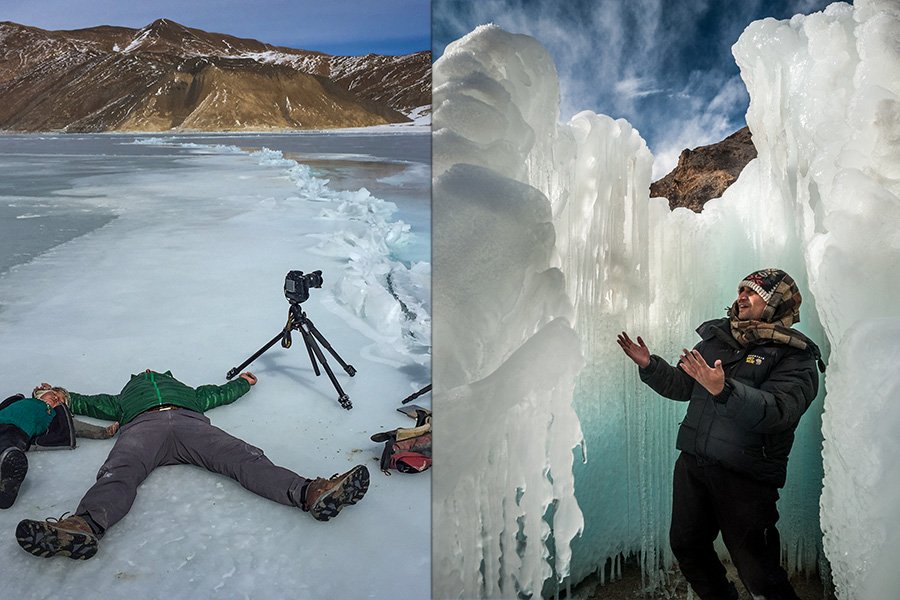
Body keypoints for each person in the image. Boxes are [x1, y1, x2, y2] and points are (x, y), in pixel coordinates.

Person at [617, 269, 824, 600]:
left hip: (746, 475)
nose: (741, 296)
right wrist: (651, 366)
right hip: (694, 464)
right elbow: (685, 385)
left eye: (753, 292)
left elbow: (779, 411)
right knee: (687, 546)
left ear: (776, 303)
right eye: (740, 289)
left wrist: (724, 389)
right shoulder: (718, 339)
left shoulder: (795, 356)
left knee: (757, 569)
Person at [15, 369, 369, 560]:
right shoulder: (121, 398)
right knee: (119, 472)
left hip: (190, 423)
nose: (148, 373)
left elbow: (219, 392)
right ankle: (83, 526)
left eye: (154, 373)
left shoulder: (189, 392)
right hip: (142, 427)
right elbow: (82, 402)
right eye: (141, 374)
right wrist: (59, 393)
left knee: (244, 458)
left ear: (170, 379)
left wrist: (242, 384)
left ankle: (310, 492)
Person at [0, 388, 118, 509]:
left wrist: (104, 432)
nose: (56, 397)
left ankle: (6, 484)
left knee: (7, 447)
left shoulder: (53, 414)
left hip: (17, 431)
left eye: (61, 400)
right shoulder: (22, 400)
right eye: (53, 393)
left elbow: (78, 427)